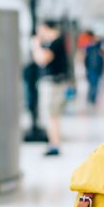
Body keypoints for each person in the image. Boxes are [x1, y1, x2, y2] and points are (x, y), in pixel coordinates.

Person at [32, 20, 68, 156]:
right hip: (56, 84)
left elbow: (41, 59)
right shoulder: (59, 42)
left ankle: (55, 145)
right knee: (53, 116)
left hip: (53, 85)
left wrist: (35, 45)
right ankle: (54, 143)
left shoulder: (55, 43)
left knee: (52, 116)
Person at [84, 32, 104, 105]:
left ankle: (91, 98)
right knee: (93, 84)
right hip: (92, 69)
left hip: (94, 69)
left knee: (94, 84)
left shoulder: (97, 48)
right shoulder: (90, 48)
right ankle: (91, 98)